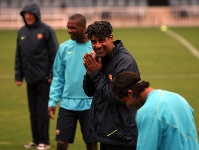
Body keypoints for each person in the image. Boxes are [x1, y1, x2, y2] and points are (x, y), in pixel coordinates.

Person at [83, 21, 140, 150]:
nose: (97, 45)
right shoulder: (99, 58)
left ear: (111, 38)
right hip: (107, 132)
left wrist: (96, 74)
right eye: (93, 41)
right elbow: (89, 91)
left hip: (122, 135)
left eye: (101, 40)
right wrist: (89, 72)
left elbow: (116, 96)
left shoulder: (125, 62)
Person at [111, 71, 199, 150]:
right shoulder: (178, 98)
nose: (128, 105)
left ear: (130, 93)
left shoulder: (148, 112)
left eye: (124, 101)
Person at [48, 14, 98, 150]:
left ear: (83, 27)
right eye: (68, 27)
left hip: (90, 103)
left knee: (91, 143)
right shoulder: (64, 48)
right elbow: (58, 76)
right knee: (61, 143)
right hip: (67, 104)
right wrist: (53, 101)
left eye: (73, 27)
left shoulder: (95, 48)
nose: (69, 30)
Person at [14, 2, 58, 150]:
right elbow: (19, 56)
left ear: (36, 15)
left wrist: (51, 74)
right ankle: (35, 139)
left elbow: (55, 54)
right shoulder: (21, 32)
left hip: (45, 79)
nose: (28, 16)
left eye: (30, 14)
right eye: (25, 14)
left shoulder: (46, 30)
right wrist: (18, 75)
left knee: (42, 111)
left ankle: (44, 142)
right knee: (33, 110)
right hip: (29, 78)